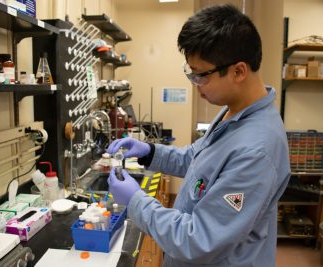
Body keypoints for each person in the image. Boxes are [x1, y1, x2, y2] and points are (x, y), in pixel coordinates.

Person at [107, 4, 290, 267]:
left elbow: (198, 240)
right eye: (190, 72)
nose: (194, 85)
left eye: (200, 75)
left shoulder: (256, 151)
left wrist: (135, 201)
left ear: (238, 71)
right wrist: (150, 152)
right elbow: (196, 159)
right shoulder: (233, 111)